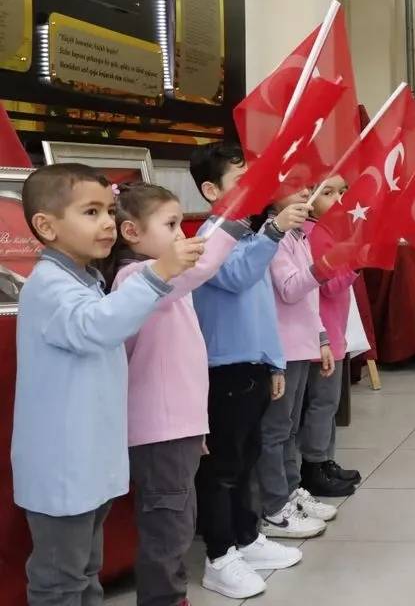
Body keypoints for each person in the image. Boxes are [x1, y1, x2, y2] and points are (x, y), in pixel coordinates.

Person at [13, 164, 201, 606]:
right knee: (60, 579)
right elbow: (95, 327)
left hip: (89, 460)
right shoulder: (49, 286)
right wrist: (158, 274)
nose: (106, 223)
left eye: (109, 211)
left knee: (85, 571)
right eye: (91, 212)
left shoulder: (86, 280)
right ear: (46, 226)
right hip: (63, 464)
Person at [104, 183, 239, 606]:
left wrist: (194, 426)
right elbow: (201, 267)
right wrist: (234, 220)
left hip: (176, 427)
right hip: (159, 429)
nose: (182, 234)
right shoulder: (136, 278)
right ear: (131, 232)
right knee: (168, 527)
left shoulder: (161, 282)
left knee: (177, 521)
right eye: (171, 224)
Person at [189, 143, 311, 599]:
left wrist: (275, 360)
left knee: (246, 459)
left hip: (254, 363)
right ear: (210, 190)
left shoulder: (249, 235)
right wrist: (274, 232)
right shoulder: (211, 236)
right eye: (241, 181)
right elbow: (236, 277)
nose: (253, 190)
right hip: (224, 367)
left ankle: (246, 536)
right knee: (221, 467)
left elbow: (264, 309)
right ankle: (219, 555)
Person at [253, 185, 344, 536]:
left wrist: (322, 338)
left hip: (302, 344)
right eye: (295, 187)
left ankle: (292, 492)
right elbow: (291, 289)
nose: (306, 192)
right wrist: (325, 267)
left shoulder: (298, 235)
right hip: (282, 348)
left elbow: (310, 301)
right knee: (275, 429)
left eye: (308, 185)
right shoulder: (271, 235)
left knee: (290, 426)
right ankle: (275, 506)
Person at [301, 176, 364, 491]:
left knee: (328, 403)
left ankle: (326, 460)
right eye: (328, 193)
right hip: (321, 334)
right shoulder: (314, 234)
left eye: (343, 191)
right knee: (323, 403)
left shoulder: (325, 231)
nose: (339, 199)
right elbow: (329, 285)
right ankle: (315, 465)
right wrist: (357, 261)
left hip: (332, 331)